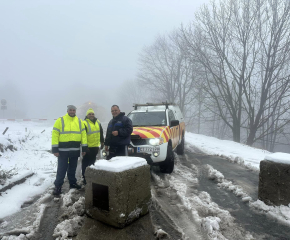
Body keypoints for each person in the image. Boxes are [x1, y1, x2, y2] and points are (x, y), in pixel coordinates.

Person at [51, 105, 88, 195]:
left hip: (75, 150)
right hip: (63, 151)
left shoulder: (79, 121)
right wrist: (55, 149)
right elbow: (55, 134)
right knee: (61, 169)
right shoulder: (60, 120)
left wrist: (84, 148)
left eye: (73, 110)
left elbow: (83, 135)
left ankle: (72, 183)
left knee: (72, 168)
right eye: (70, 110)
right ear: (67, 111)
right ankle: (58, 187)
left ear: (75, 111)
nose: (72, 111)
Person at [82, 108, 104, 184]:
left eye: (92, 114)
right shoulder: (84, 123)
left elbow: (101, 132)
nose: (91, 115)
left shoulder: (98, 122)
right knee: (86, 163)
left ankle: (91, 178)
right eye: (89, 114)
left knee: (92, 162)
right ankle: (85, 179)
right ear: (87, 115)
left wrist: (102, 142)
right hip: (88, 147)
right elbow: (83, 136)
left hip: (95, 146)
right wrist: (84, 147)